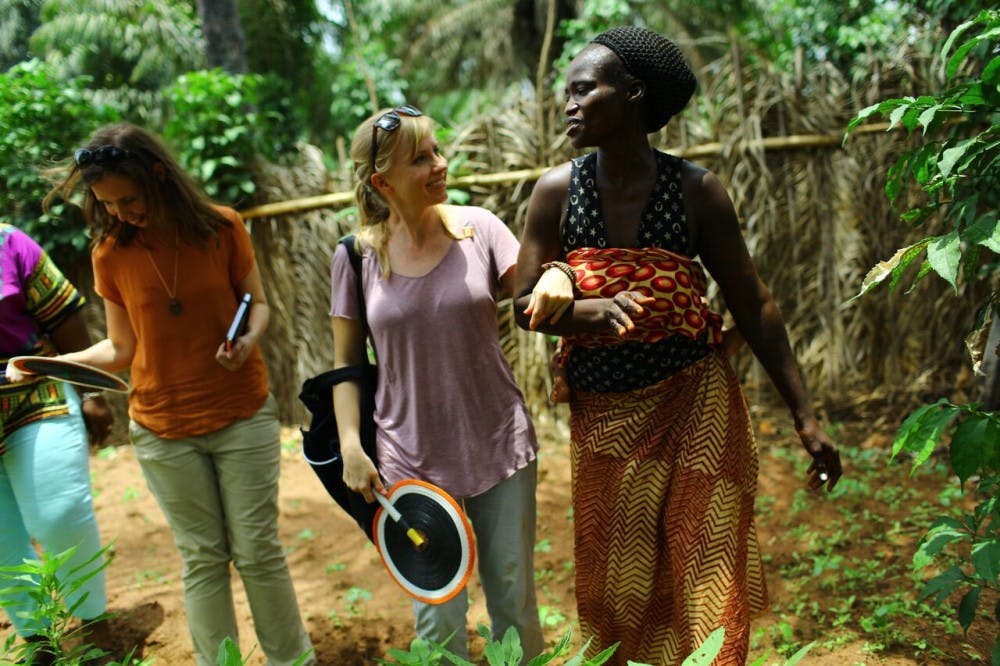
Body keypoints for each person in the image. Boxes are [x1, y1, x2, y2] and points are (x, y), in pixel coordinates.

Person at [513, 26, 844, 665]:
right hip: (605, 416)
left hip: (698, 404)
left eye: (585, 90)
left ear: (633, 94)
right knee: (616, 587)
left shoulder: (696, 191)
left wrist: (805, 416)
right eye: (567, 93)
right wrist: (587, 311)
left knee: (707, 571)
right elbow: (526, 304)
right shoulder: (557, 192)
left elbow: (755, 304)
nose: (569, 105)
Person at [21, 122, 315, 666]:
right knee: (203, 558)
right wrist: (53, 365)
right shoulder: (110, 254)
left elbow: (260, 304)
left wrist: (247, 339)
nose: (117, 212)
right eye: (106, 203)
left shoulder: (222, 228)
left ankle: (293, 662)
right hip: (162, 430)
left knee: (257, 552)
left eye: (127, 199)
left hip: (241, 415)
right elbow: (119, 349)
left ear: (158, 175)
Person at [331, 106, 572, 661]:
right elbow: (345, 364)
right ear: (382, 182)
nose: (440, 164)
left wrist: (559, 273)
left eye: (437, 151)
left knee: (513, 602)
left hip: (498, 446)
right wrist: (349, 445)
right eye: (422, 159)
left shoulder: (480, 229)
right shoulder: (356, 256)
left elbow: (535, 295)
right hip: (409, 461)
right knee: (437, 618)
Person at [0, 224, 114, 664]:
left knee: (59, 514)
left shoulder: (11, 244)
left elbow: (64, 316)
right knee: (3, 540)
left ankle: (92, 628)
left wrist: (91, 393)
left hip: (35, 390)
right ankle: (38, 641)